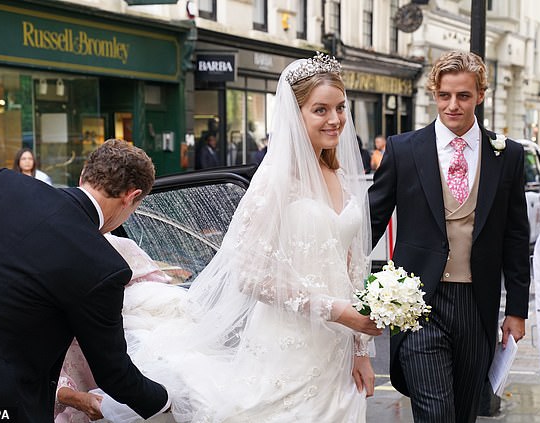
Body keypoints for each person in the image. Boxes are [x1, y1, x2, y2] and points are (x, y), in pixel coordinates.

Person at [98, 52, 382, 422]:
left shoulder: (341, 177)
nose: (335, 120)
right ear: (295, 116)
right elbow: (250, 275)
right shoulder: (276, 181)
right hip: (288, 342)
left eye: (340, 108)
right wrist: (336, 311)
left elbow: (352, 265)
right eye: (320, 110)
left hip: (338, 344)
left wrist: (360, 347)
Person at [368, 50, 530, 422]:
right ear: (435, 94)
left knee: (464, 413)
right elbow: (370, 222)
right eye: (444, 95)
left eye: (463, 96)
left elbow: (516, 238)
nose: (453, 105)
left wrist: (517, 310)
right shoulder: (403, 149)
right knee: (436, 413)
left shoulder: (508, 155)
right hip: (418, 304)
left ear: (480, 95)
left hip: (477, 302)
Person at [0, 139, 170, 421]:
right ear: (132, 196)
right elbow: (114, 374)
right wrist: (167, 401)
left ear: (83, 176)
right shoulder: (103, 265)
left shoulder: (4, 184)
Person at [55, 234, 172, 423]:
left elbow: (166, 308)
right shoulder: (29, 262)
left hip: (136, 385)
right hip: (69, 397)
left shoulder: (121, 248)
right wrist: (71, 397)